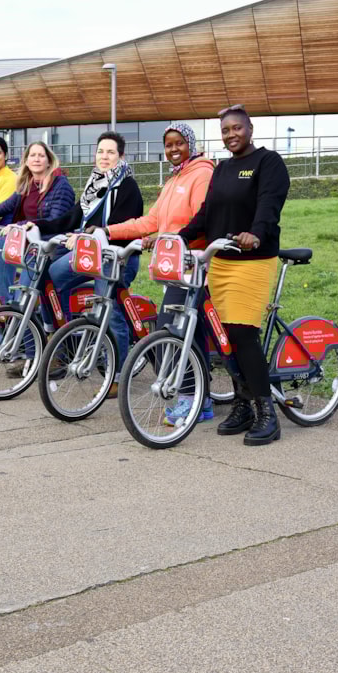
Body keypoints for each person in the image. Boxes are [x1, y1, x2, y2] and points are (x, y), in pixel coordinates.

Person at [179, 104, 290, 446]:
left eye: (236, 128)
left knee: (242, 333)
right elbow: (207, 211)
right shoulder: (223, 168)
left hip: (253, 259)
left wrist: (255, 232)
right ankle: (243, 403)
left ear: (250, 128)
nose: (230, 135)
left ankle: (267, 413)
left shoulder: (268, 162)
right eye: (225, 130)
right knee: (223, 336)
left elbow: (269, 205)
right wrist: (180, 236)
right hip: (222, 262)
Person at [102, 123, 215, 425]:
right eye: (168, 145)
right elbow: (150, 220)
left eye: (179, 143)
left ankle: (192, 399)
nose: (173, 149)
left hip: (193, 265)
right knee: (195, 335)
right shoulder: (174, 179)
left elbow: (201, 218)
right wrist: (109, 230)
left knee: (172, 330)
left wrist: (173, 236)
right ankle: (201, 401)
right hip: (174, 267)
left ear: (190, 143)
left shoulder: (201, 173)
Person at [34, 131, 143, 398]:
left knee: (112, 311)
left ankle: (116, 375)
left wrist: (92, 232)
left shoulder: (128, 187)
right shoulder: (94, 184)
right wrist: (38, 225)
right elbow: (73, 217)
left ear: (121, 156)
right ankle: (61, 345)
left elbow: (123, 225)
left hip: (116, 258)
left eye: (110, 152)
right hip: (89, 253)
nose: (104, 157)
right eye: (100, 152)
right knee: (50, 281)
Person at [0, 141, 75, 367]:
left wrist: (27, 224)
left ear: (48, 160)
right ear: (26, 160)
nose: (36, 159)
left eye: (41, 155)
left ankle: (28, 349)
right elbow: (6, 207)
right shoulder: (27, 184)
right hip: (30, 244)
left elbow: (55, 221)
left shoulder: (60, 185)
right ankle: (7, 306)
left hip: (51, 245)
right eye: (32, 155)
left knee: (25, 294)